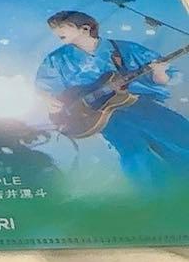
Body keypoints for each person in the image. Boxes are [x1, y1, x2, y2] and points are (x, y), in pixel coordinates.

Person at [36, 10, 189, 186]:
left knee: (178, 133)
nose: (57, 32)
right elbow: (43, 88)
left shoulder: (125, 49)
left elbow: (167, 77)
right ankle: (155, 193)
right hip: (98, 114)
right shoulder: (56, 59)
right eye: (55, 28)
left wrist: (159, 73)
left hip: (136, 102)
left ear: (85, 28)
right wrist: (48, 100)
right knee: (134, 152)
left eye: (63, 27)